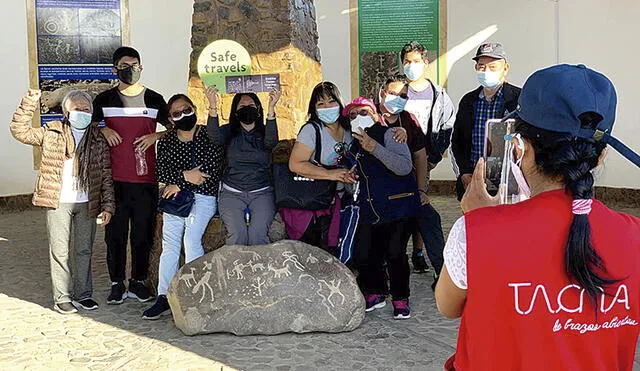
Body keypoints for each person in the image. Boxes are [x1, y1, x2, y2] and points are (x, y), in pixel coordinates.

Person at [436, 65, 640, 370]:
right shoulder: (634, 235)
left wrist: (482, 226)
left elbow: (448, 306)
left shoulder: (476, 230)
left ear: (520, 148)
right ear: (601, 155)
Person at [10, 89, 115, 314]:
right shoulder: (52, 132)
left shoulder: (97, 137)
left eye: (86, 109)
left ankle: (83, 294)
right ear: (66, 111)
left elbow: (106, 173)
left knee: (84, 250)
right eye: (77, 109)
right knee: (60, 251)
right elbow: (19, 131)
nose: (83, 113)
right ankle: (62, 297)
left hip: (87, 201)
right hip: (58, 200)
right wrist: (29, 102)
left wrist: (107, 205)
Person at [92, 46, 170, 305]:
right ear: (115, 69)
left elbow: (178, 129)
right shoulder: (103, 100)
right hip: (112, 181)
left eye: (135, 65)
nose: (131, 70)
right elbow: (87, 129)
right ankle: (117, 283)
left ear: (141, 67)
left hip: (145, 180)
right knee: (114, 234)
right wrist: (102, 131)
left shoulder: (155, 99)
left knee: (142, 234)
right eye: (125, 65)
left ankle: (138, 282)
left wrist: (156, 135)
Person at [142, 94, 223, 319]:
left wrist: (180, 180)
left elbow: (212, 167)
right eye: (177, 113)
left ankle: (193, 293)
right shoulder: (167, 140)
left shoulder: (208, 134)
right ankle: (163, 296)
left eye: (186, 109)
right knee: (170, 244)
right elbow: (160, 171)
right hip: (175, 197)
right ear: (170, 118)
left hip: (203, 196)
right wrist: (184, 177)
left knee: (191, 239)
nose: (183, 115)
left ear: (194, 108)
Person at [346, 96, 420, 320]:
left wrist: (374, 148)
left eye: (364, 112)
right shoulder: (351, 145)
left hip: (399, 206)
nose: (359, 117)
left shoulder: (390, 134)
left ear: (376, 116)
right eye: (353, 115)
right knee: (367, 253)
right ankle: (376, 292)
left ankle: (400, 298)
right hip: (371, 207)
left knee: (395, 252)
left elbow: (404, 167)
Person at [377, 74, 445, 290]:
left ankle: (442, 275)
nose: (398, 99)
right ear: (382, 93)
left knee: (430, 217)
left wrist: (421, 190)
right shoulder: (369, 116)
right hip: (378, 192)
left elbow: (420, 156)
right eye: (394, 94)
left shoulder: (409, 120)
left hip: (407, 190)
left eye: (403, 96)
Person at [399, 41, 454, 275]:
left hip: (425, 159)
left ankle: (419, 251)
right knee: (402, 207)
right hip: (399, 159)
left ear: (425, 63)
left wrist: (434, 158)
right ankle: (397, 252)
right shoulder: (398, 91)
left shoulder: (438, 95)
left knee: (421, 202)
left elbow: (446, 126)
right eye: (407, 62)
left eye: (416, 61)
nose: (411, 66)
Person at [285, 82, 357, 254]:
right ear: (314, 109)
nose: (327, 107)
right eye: (320, 104)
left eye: (331, 101)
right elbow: (295, 164)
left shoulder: (349, 128)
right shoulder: (311, 130)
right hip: (317, 205)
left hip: (343, 200)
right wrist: (330, 174)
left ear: (340, 103)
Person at [206, 86, 281, 246]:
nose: (247, 109)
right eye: (242, 107)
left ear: (259, 110)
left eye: (252, 106)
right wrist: (212, 105)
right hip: (232, 192)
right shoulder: (229, 132)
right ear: (235, 111)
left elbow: (272, 142)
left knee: (258, 236)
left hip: (262, 192)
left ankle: (258, 271)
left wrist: (272, 108)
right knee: (237, 235)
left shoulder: (265, 132)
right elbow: (214, 137)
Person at [451, 42, 521, 201]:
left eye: (493, 67)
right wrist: (464, 172)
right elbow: (458, 141)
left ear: (505, 69)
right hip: (473, 181)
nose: (486, 71)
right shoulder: (469, 101)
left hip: (508, 184)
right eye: (482, 67)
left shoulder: (518, 99)